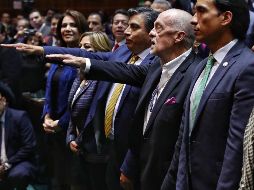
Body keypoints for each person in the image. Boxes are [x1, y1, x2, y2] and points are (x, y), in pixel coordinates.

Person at [1, 7, 159, 190]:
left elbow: (122, 71)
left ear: (151, 32)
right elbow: (87, 55)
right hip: (109, 146)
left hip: (132, 149)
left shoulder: (155, 61)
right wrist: (41, 50)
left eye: (133, 26)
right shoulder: (123, 52)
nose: (126, 31)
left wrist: (85, 63)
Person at [45, 8, 201, 190]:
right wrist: (44, 51)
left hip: (163, 172)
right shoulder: (157, 67)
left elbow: (181, 139)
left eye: (157, 28)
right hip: (120, 154)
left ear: (179, 36)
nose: (152, 33)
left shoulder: (193, 72)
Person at [161, 0, 254, 189]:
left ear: (226, 18)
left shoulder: (247, 66)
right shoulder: (203, 65)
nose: (193, 21)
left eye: (201, 12)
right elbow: (185, 134)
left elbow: (237, 144)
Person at [41, 10, 88, 190]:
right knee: (58, 177)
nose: (67, 29)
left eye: (73, 25)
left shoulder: (86, 57)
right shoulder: (57, 55)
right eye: (64, 25)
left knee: (74, 181)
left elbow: (81, 98)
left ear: (81, 28)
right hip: (53, 129)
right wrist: (46, 116)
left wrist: (61, 122)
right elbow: (48, 89)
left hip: (73, 130)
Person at [67, 31, 112, 190]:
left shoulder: (104, 79)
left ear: (101, 51)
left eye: (87, 47)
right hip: (80, 148)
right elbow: (73, 109)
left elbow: (95, 115)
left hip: (97, 151)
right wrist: (70, 136)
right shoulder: (80, 74)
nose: (81, 50)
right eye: (80, 46)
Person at [0, 82, 36, 190]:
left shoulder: (19, 117)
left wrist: (6, 165)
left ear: (4, 101)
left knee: (20, 174)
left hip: (16, 162)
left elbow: (29, 146)